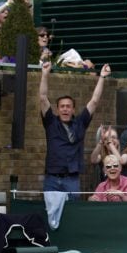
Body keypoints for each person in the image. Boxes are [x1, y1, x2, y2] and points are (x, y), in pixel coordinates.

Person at [39, 60, 111, 198]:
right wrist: (44, 74)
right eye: (62, 106)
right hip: (52, 178)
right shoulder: (50, 122)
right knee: (51, 216)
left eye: (68, 106)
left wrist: (102, 77)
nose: (65, 109)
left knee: (73, 212)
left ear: (73, 109)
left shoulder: (80, 122)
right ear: (58, 109)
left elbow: (94, 101)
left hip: (72, 179)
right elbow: (42, 98)